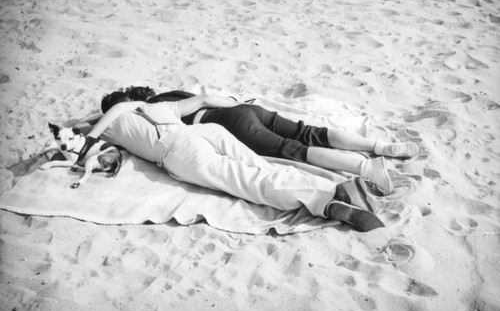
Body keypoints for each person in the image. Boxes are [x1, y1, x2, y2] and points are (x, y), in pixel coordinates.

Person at [87, 92, 385, 232]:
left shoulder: (112, 121)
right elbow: (204, 99)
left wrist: (90, 135)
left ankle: (326, 202)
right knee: (262, 167)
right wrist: (239, 104)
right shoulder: (159, 105)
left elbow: (88, 136)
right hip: (204, 131)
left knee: (249, 181)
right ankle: (335, 189)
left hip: (178, 153)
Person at [99, 86, 420, 195]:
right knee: (308, 131)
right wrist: (240, 105)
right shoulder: (173, 95)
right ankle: (379, 147)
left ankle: (367, 169)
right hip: (244, 108)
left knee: (295, 151)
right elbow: (210, 96)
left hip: (227, 123)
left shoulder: (145, 112)